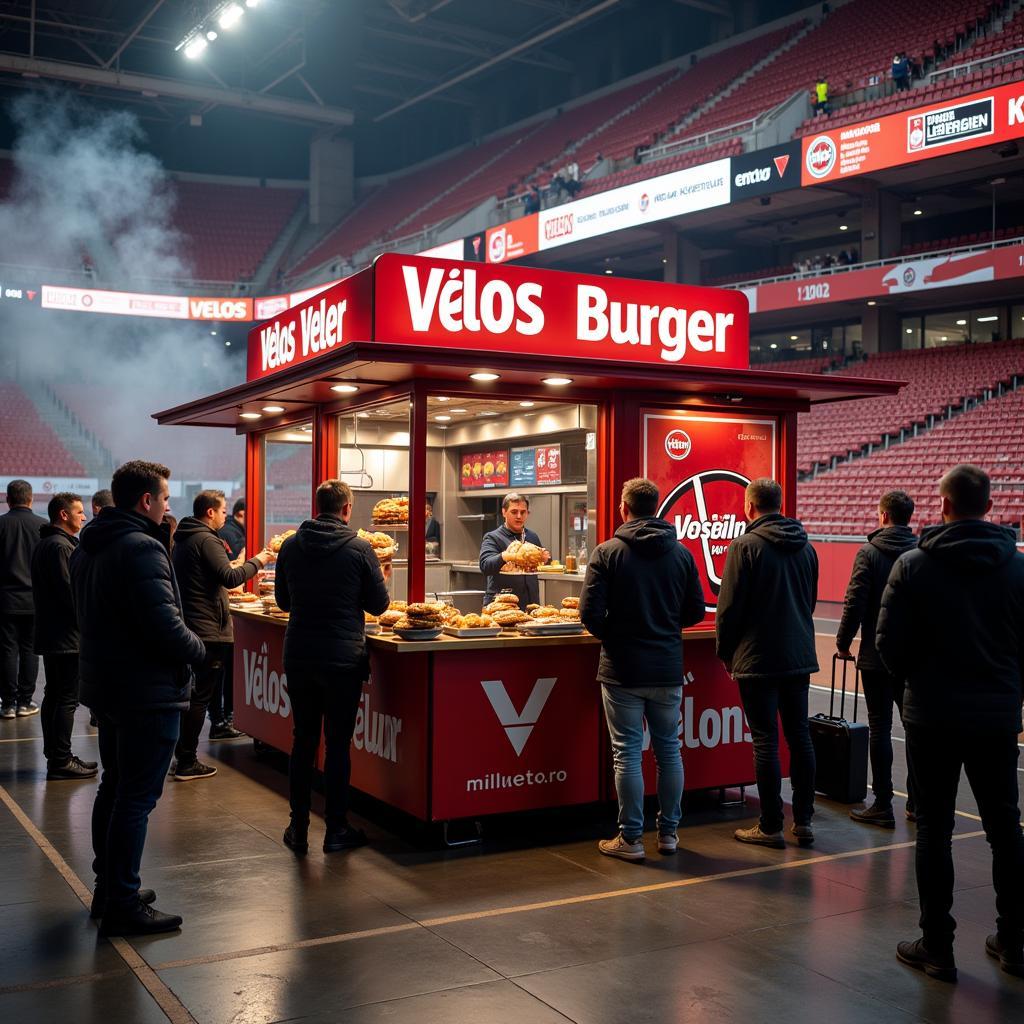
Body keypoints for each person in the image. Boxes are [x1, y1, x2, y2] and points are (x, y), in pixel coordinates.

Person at [877, 465, 1024, 982]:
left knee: (934, 831)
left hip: (931, 715)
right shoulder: (1017, 568)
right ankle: (1015, 942)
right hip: (996, 717)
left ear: (942, 504)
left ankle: (937, 946)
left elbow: (888, 646)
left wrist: (918, 682)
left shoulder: (913, 566)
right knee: (1006, 831)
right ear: (988, 505)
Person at [71, 460, 205, 936]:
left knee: (114, 788)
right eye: (165, 498)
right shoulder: (141, 548)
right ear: (146, 501)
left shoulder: (89, 545)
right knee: (136, 799)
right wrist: (198, 648)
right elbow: (165, 626)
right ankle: (124, 903)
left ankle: (109, 887)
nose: (169, 506)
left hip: (109, 687)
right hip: (146, 691)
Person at [580, 478, 706, 861]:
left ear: (624, 508)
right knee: (670, 751)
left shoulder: (607, 552)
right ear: (657, 507)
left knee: (627, 753)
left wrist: (616, 636)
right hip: (667, 667)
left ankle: (631, 839)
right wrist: (665, 629)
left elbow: (589, 614)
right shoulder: (681, 554)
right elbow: (696, 610)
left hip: (622, 669)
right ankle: (668, 834)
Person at [274, 479, 390, 854]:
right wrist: (380, 579)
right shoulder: (360, 548)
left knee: (303, 739)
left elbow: (283, 601)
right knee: (338, 744)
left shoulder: (291, 545)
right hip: (342, 660)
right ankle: (336, 828)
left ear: (319, 505)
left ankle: (298, 826)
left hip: (300, 655)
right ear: (346, 509)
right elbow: (379, 606)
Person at [715, 478, 819, 849]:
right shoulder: (806, 547)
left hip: (757, 657)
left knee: (765, 741)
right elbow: (810, 602)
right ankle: (804, 820)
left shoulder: (744, 546)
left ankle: (771, 824)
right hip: (798, 656)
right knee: (800, 737)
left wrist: (726, 653)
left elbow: (728, 610)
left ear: (749, 506)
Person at [171, 490, 273, 777]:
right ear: (210, 512)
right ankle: (188, 760)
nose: (226, 515)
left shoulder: (186, 538)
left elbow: (214, 574)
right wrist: (260, 560)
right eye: (223, 510)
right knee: (200, 696)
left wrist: (240, 563)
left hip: (194, 625)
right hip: (208, 629)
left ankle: (182, 756)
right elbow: (229, 578)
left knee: (194, 695)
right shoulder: (206, 539)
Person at [836, 490, 917, 828]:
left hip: (875, 655)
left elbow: (855, 601)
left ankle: (883, 802)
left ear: (883, 516)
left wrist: (843, 642)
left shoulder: (868, 553)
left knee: (880, 727)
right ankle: (918, 803)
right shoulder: (920, 554)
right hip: (914, 658)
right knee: (914, 728)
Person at [31, 492, 96, 780]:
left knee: (56, 696)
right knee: (65, 698)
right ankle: (60, 759)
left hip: (57, 634)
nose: (84, 516)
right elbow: (71, 594)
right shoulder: (59, 547)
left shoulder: (52, 543)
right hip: (66, 637)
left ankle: (58, 756)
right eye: (79, 512)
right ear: (63, 515)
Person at [0, 479, 47, 719]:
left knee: (7, 651)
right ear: (31, 499)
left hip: (5, 601)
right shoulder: (43, 526)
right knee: (30, 651)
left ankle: (7, 703)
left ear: (7, 499)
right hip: (34, 602)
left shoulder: (0, 524)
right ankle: (24, 702)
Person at [479, 492, 547, 607]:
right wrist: (506, 556)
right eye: (514, 512)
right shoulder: (493, 537)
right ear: (504, 512)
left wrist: (544, 559)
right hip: (501, 604)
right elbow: (485, 566)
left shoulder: (532, 536)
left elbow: (539, 567)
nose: (519, 516)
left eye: (523, 512)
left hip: (530, 603)